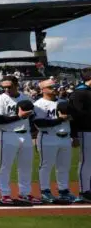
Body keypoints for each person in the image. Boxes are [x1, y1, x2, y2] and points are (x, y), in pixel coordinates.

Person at [0, 75, 39, 205]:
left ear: (17, 84)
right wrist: (18, 117)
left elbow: (32, 117)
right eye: (4, 87)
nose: (6, 89)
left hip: (26, 134)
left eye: (9, 86)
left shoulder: (25, 98)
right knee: (5, 166)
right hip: (8, 134)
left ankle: (25, 193)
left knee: (26, 166)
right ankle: (5, 194)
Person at [33, 80, 79, 203]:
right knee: (46, 166)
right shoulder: (39, 104)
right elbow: (39, 123)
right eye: (50, 87)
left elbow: (72, 121)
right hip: (48, 137)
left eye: (55, 86)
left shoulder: (63, 103)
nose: (54, 88)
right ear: (43, 90)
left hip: (65, 137)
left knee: (64, 166)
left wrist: (74, 137)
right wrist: (59, 120)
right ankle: (45, 191)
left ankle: (64, 191)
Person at [69, 68, 91, 203]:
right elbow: (74, 116)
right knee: (86, 161)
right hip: (85, 131)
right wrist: (74, 135)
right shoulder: (79, 93)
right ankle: (84, 191)